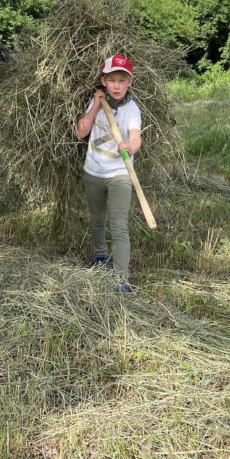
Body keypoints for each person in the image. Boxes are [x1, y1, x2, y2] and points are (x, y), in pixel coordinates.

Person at [75, 54, 142, 292]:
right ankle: (100, 256)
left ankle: (121, 278)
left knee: (119, 225)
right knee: (97, 220)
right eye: (112, 80)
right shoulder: (97, 104)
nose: (116, 85)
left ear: (129, 83)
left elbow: (136, 138)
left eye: (121, 80)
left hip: (120, 174)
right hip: (93, 172)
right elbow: (80, 133)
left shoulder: (132, 109)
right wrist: (95, 105)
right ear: (104, 81)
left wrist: (130, 146)